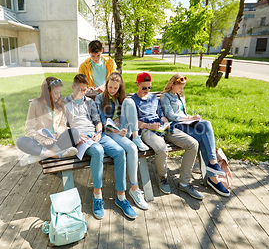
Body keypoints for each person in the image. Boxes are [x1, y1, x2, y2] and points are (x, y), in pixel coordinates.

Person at [64, 74, 137, 220]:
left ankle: (121, 197)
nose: (83, 93)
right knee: (98, 151)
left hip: (95, 134)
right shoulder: (64, 103)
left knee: (119, 151)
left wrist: (98, 132)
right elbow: (60, 126)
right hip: (80, 137)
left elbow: (97, 121)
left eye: (85, 90)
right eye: (80, 89)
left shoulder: (89, 103)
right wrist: (75, 135)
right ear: (73, 87)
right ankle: (97, 196)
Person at [131, 72, 204, 200]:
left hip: (163, 128)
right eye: (144, 87)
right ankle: (163, 177)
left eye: (149, 87)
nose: (147, 90)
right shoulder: (132, 101)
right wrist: (148, 126)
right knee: (162, 148)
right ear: (137, 84)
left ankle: (184, 182)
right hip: (146, 130)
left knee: (193, 144)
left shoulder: (154, 98)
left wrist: (164, 121)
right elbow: (132, 121)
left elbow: (161, 114)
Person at [160, 73, 230, 197]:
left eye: (183, 86)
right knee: (204, 137)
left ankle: (213, 164)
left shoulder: (180, 96)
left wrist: (193, 119)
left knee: (206, 125)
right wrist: (189, 118)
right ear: (172, 84)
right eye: (180, 86)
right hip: (176, 126)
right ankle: (213, 177)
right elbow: (170, 115)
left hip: (186, 124)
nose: (182, 89)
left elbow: (183, 111)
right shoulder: (166, 96)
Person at [94, 72, 150, 210]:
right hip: (109, 132)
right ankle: (134, 188)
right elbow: (101, 120)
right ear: (106, 85)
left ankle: (136, 136)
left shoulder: (121, 99)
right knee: (131, 148)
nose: (112, 91)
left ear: (120, 88)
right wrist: (116, 129)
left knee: (129, 101)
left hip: (123, 130)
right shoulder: (99, 99)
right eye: (110, 87)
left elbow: (123, 116)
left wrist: (120, 123)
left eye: (116, 88)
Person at [16, 77, 78, 161]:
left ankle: (45, 154)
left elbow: (63, 125)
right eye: (55, 93)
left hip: (57, 141)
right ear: (47, 92)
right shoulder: (35, 104)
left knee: (74, 132)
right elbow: (29, 128)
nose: (58, 96)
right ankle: (55, 154)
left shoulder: (61, 104)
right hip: (41, 142)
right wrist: (44, 139)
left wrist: (56, 134)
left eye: (59, 93)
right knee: (21, 141)